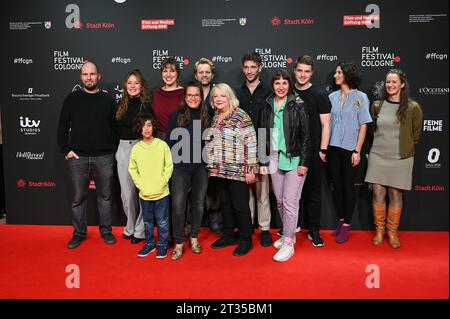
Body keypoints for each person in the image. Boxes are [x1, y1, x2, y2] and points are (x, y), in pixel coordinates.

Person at [57, 61, 117, 249]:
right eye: (85, 74)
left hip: (104, 157)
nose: (89, 78)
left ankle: (106, 231)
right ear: (81, 77)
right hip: (78, 158)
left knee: (105, 196)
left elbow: (115, 128)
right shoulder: (71, 98)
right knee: (78, 198)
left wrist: (110, 150)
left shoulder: (108, 100)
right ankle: (79, 232)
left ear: (99, 76)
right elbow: (62, 128)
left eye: (92, 74)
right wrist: (67, 150)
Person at [365, 69, 423, 248]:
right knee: (377, 192)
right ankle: (380, 230)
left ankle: (392, 231)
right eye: (388, 82)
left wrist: (403, 149)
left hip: (401, 158)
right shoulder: (377, 105)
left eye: (394, 82)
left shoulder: (413, 107)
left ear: (402, 84)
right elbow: (372, 129)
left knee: (395, 194)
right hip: (377, 156)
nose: (390, 85)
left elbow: (416, 135)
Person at [259, 69, 311, 262]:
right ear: (273, 85)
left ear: (289, 85)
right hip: (273, 157)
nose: (281, 87)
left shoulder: (298, 104)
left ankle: (288, 241)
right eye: (277, 83)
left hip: (294, 158)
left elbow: (306, 135)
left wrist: (304, 162)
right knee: (280, 201)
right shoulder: (267, 104)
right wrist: (263, 160)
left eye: (284, 83)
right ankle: (290, 233)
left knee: (290, 202)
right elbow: (262, 133)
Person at [206, 83, 258, 256]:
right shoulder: (215, 116)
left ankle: (245, 239)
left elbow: (251, 143)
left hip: (238, 170)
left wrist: (251, 168)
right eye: (216, 96)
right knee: (225, 204)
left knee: (240, 205)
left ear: (229, 97)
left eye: (223, 96)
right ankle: (229, 235)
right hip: (219, 169)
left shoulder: (240, 115)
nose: (219, 99)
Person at [327, 61, 372, 243]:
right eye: (336, 73)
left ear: (347, 74)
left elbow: (363, 126)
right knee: (337, 187)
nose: (336, 75)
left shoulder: (361, 97)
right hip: (333, 148)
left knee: (348, 187)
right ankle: (341, 221)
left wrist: (357, 150)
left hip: (350, 149)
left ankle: (347, 225)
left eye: (339, 72)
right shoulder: (332, 97)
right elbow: (327, 124)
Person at [166, 81, 210, 260]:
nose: (193, 98)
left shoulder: (207, 114)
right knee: (178, 206)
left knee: (198, 204)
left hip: (200, 167)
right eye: (189, 95)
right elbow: (169, 141)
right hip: (180, 168)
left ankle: (193, 237)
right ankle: (179, 243)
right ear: (185, 97)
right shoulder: (177, 114)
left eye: (196, 95)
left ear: (201, 97)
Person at [292, 55, 331, 247]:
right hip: (292, 152)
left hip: (315, 151)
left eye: (307, 71)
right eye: (299, 71)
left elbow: (326, 125)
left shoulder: (319, 95)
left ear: (312, 73)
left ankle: (314, 230)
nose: (302, 75)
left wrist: (323, 149)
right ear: (295, 71)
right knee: (291, 194)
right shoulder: (288, 92)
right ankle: (293, 226)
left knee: (313, 193)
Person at [235, 52, 272, 247]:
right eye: (246, 67)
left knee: (262, 190)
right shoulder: (237, 92)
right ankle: (247, 227)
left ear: (260, 68)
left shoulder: (268, 91)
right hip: (241, 147)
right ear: (243, 69)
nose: (250, 71)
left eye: (253, 67)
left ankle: (264, 229)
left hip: (263, 143)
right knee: (245, 191)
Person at [129, 112, 174, 259]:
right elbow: (132, 169)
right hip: (145, 193)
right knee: (148, 222)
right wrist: (141, 184)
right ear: (139, 129)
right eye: (143, 126)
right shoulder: (136, 148)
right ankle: (149, 243)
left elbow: (169, 166)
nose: (146, 129)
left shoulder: (162, 145)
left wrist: (162, 182)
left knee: (162, 221)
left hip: (162, 192)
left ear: (153, 127)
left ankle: (162, 244)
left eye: (149, 125)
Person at [115, 69, 152, 244]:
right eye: (129, 83)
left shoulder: (147, 105)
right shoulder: (119, 104)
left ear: (141, 85)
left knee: (143, 191)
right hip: (123, 148)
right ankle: (129, 227)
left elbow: (152, 129)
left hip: (142, 147)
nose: (132, 86)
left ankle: (140, 230)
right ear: (125, 85)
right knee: (127, 193)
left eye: (136, 83)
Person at [193, 58, 223, 236]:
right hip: (192, 146)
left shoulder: (218, 93)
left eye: (207, 72)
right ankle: (190, 222)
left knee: (214, 185)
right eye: (201, 72)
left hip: (214, 146)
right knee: (193, 185)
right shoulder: (190, 93)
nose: (204, 75)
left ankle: (216, 223)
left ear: (212, 74)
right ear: (196, 75)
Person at [152, 57, 184, 139]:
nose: (168, 75)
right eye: (165, 71)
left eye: (172, 71)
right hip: (159, 138)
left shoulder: (184, 93)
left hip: (179, 138)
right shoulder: (156, 93)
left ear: (178, 73)